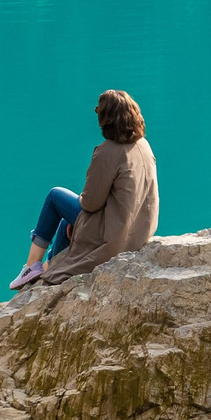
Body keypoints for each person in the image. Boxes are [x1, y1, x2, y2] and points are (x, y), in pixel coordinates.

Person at [10, 90, 160, 290]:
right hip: (138, 231)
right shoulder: (144, 146)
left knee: (55, 196)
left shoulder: (107, 151)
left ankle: (31, 266)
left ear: (107, 119)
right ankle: (45, 271)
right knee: (66, 224)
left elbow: (90, 203)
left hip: (113, 236)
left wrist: (82, 207)